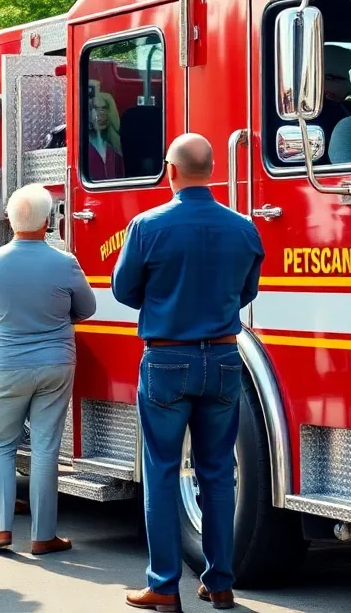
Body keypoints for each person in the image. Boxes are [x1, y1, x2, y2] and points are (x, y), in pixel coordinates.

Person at [114, 133, 263, 612]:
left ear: (171, 171)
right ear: (213, 170)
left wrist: (167, 302)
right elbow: (247, 291)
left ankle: (163, 586)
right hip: (222, 359)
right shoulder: (243, 227)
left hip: (166, 358)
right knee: (218, 473)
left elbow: (123, 289)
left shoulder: (147, 225)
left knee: (161, 470)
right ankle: (219, 582)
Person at [0, 183, 96, 555]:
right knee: (45, 447)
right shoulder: (65, 262)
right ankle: (44, 536)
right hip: (55, 363)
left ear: (10, 219)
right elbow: (87, 308)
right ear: (48, 221)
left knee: (2, 445)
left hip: (9, 364)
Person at [87, 88, 124, 181]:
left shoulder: (114, 146)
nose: (101, 114)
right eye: (95, 108)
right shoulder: (82, 146)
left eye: (104, 108)